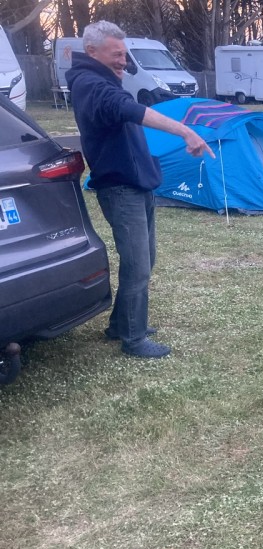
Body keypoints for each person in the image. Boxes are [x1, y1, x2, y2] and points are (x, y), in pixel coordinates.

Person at [67, 21, 214, 358]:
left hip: (136, 182)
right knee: (137, 265)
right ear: (92, 52)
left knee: (145, 259)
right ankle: (133, 339)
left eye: (125, 54)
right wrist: (186, 132)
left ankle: (121, 324)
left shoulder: (103, 80)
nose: (124, 61)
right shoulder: (90, 84)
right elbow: (132, 111)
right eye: (116, 54)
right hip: (120, 188)